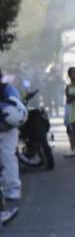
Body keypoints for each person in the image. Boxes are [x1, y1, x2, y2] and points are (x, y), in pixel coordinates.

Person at [0, 67, 23, 210]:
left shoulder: (7, 89)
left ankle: (13, 188)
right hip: (7, 128)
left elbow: (14, 107)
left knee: (8, 157)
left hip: (7, 129)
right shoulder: (9, 88)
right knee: (8, 157)